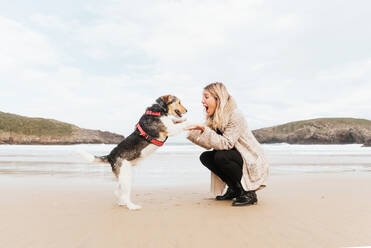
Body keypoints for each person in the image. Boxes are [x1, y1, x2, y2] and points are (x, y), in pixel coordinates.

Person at [185, 82, 269, 206]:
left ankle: (249, 193)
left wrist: (204, 129)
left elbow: (226, 144)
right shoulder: (214, 117)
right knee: (206, 157)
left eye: (206, 97)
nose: (202, 101)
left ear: (217, 98)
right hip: (234, 156)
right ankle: (235, 189)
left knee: (221, 156)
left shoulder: (235, 114)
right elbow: (209, 143)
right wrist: (186, 127)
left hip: (250, 159)